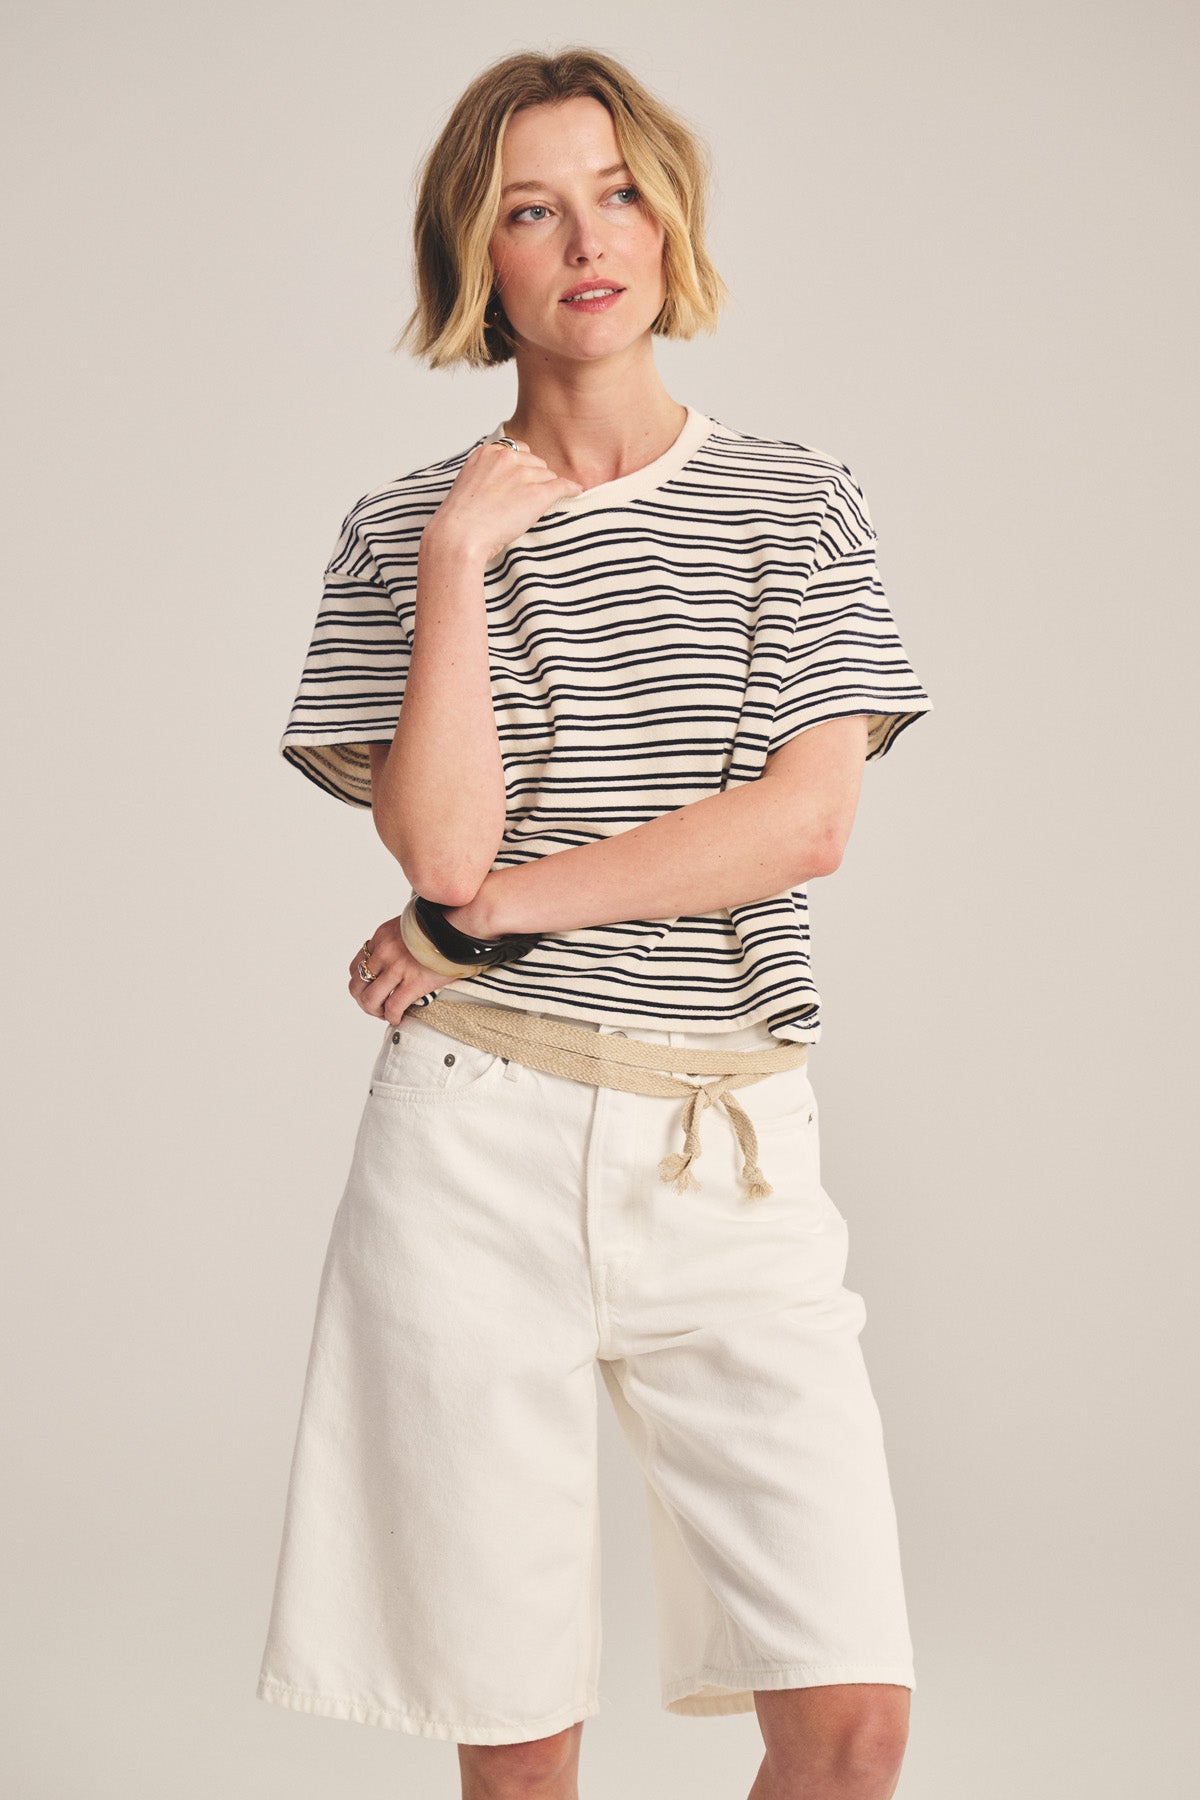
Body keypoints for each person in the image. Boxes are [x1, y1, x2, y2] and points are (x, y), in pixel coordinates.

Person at [256, 45, 933, 1800]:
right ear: (473, 257)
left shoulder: (794, 497)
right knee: (518, 1741)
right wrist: (464, 565)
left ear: (670, 214)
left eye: (617, 190)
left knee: (850, 1725)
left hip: (730, 1145)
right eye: (530, 208)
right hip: (476, 1147)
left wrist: (487, 925)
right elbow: (440, 844)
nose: (586, 240)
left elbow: (807, 822)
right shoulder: (405, 527)